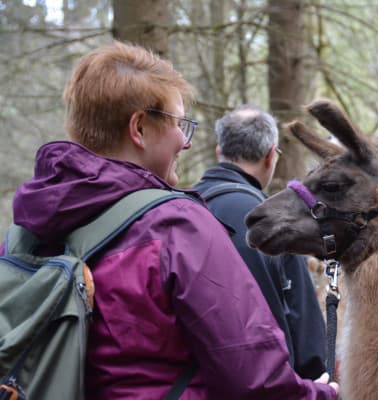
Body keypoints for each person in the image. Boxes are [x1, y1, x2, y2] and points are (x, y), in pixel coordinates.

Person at [2, 41, 337, 399]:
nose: (186, 141)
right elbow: (254, 380)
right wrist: (325, 394)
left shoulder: (25, 228)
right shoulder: (177, 228)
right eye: (180, 123)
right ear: (140, 128)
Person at [194, 105, 328, 379]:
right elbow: (307, 338)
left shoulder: (178, 209)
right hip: (268, 386)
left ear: (219, 153)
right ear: (270, 156)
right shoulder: (272, 225)